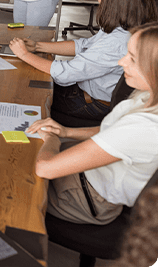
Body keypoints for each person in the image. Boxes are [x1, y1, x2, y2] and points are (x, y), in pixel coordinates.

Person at [26, 21, 158, 225]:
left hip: (86, 197)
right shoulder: (148, 94)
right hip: (88, 176)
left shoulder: (146, 126)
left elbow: (45, 168)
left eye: (132, 58)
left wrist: (51, 137)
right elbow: (114, 132)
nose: (122, 62)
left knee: (9, 177)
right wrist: (66, 132)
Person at [9, 0, 157, 127]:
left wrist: (24, 55)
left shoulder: (115, 42)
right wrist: (38, 46)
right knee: (31, 81)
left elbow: (65, 73)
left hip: (89, 102)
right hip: (85, 91)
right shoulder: (125, 27)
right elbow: (83, 46)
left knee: (24, 92)